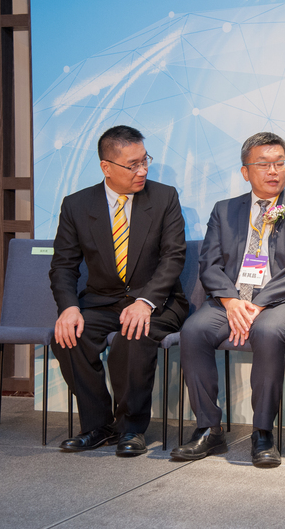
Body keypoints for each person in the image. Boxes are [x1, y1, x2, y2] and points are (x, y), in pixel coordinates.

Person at [170, 132, 285, 468]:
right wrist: (231, 301)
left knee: (267, 330)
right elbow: (209, 263)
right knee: (194, 331)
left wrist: (258, 303)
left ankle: (262, 432)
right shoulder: (224, 210)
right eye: (264, 164)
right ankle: (209, 428)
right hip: (231, 301)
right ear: (245, 171)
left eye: (279, 163)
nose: (273, 171)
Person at [50, 125, 188, 457]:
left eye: (145, 161)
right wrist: (69, 307)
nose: (142, 171)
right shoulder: (77, 205)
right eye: (132, 165)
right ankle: (98, 426)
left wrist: (145, 301)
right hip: (102, 300)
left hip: (157, 301)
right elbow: (63, 266)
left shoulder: (164, 197)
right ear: (106, 167)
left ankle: (130, 429)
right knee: (68, 337)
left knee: (133, 336)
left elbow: (173, 256)